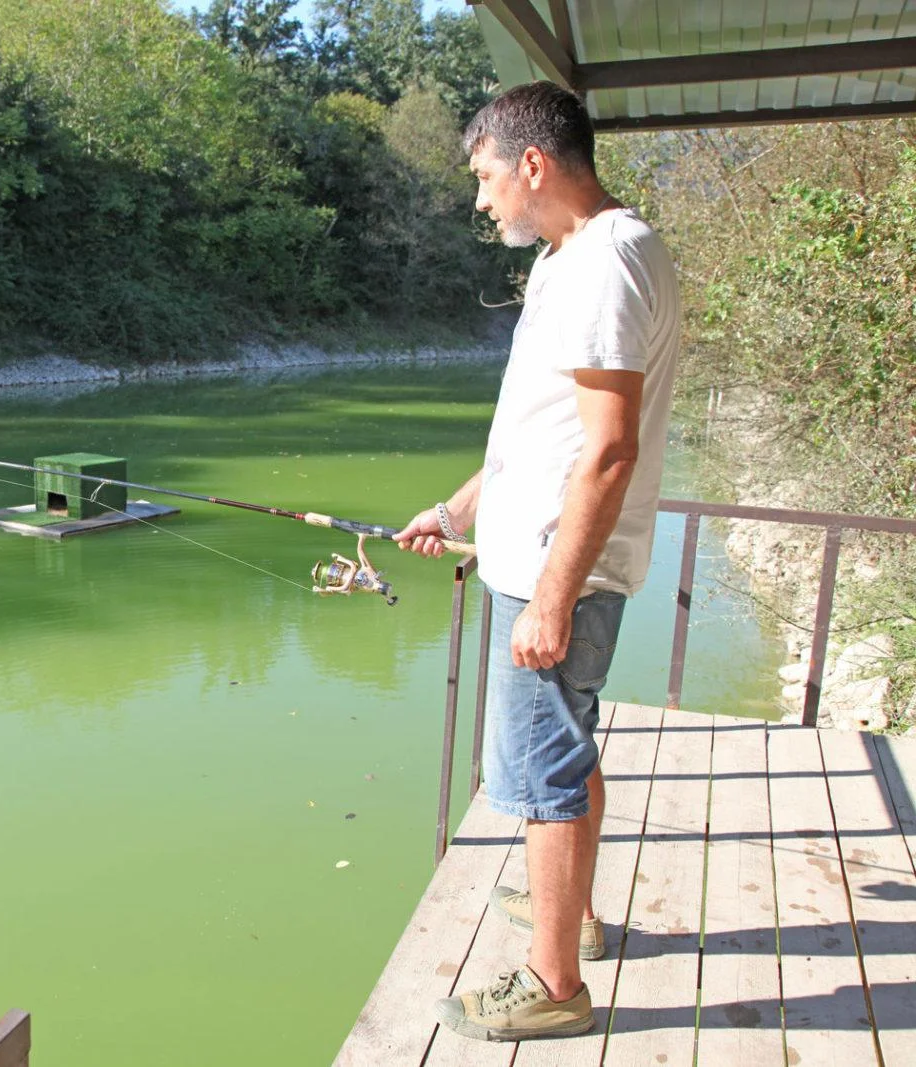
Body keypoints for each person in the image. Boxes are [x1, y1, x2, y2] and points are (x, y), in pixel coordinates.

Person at [393, 81, 680, 1042]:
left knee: (546, 771)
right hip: (536, 559)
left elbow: (607, 449)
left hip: (560, 572)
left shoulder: (605, 263)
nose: (482, 202)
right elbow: (536, 435)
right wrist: (455, 507)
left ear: (533, 164)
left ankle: (553, 981)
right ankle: (580, 920)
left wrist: (551, 595)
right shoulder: (572, 260)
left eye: (485, 179)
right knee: (570, 746)